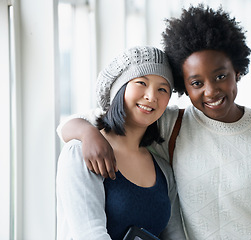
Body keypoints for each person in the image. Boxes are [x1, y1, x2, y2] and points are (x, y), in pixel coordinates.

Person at [57, 5, 251, 239]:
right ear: (185, 87)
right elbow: (93, 120)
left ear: (238, 71)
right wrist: (87, 133)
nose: (211, 91)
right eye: (197, 83)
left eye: (221, 76)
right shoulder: (173, 125)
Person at [56, 46, 186, 240]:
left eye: (162, 89)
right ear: (119, 88)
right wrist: (86, 132)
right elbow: (90, 234)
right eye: (141, 82)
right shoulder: (79, 153)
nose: (151, 96)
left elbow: (174, 234)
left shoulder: (163, 170)